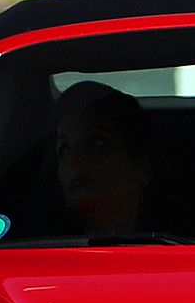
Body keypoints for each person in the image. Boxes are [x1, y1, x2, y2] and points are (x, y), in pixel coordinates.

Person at [50, 80, 151, 236]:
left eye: (97, 143)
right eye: (64, 149)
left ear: (143, 167)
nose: (75, 159)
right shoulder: (31, 251)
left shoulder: (185, 251)